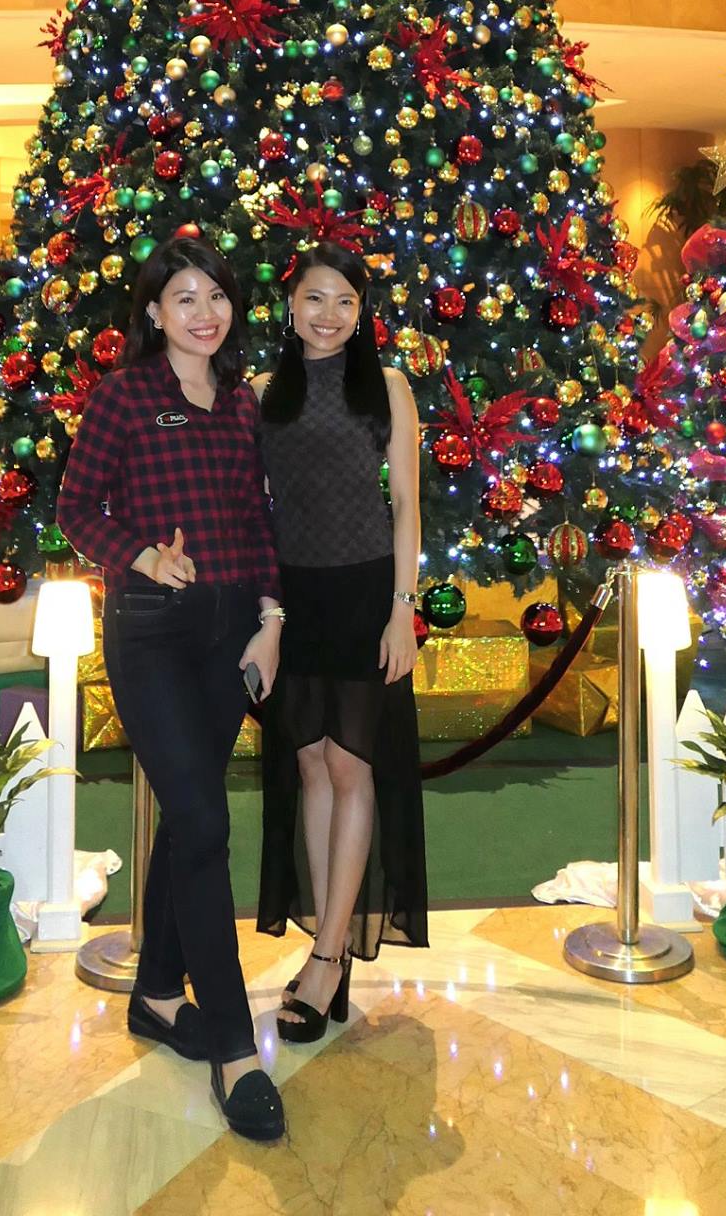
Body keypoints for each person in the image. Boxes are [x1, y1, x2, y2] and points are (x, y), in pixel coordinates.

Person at [55, 235, 285, 1143]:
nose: (203, 313)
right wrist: (143, 555)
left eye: (215, 296)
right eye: (184, 297)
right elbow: (75, 508)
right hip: (151, 632)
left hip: (231, 634)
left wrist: (270, 620)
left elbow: (255, 518)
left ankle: (156, 995)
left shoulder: (239, 401)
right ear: (153, 311)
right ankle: (232, 1045)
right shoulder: (123, 396)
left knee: (190, 823)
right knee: (204, 821)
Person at [255, 244, 429, 1043]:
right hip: (293, 598)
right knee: (310, 765)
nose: (328, 315)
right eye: (315, 299)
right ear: (290, 305)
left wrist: (402, 609)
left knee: (352, 766)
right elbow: (253, 507)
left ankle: (327, 955)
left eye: (345, 302)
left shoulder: (386, 387)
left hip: (365, 594)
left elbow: (407, 507)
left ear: (362, 315)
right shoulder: (261, 392)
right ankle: (327, 940)